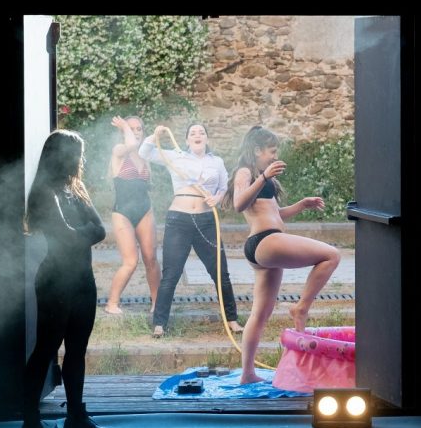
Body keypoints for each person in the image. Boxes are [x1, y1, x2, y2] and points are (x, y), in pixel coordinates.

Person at [221, 126, 341, 385]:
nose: (275, 156)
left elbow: (275, 214)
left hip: (266, 245)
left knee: (260, 314)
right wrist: (263, 177)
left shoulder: (263, 178)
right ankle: (300, 308)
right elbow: (239, 204)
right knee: (331, 255)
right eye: (272, 151)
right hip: (264, 241)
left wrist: (302, 205)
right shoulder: (245, 172)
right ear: (257, 150)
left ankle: (247, 374)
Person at [22, 130, 113, 428]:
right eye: (74, 154)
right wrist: (82, 231)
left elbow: (99, 230)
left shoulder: (75, 188)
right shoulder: (45, 192)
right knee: (45, 350)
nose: (79, 160)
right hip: (55, 281)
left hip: (82, 279)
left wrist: (79, 231)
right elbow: (68, 235)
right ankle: (30, 426)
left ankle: (75, 418)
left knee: (77, 350)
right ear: (58, 156)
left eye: (80, 154)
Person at [138, 123, 243, 338]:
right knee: (171, 274)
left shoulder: (216, 161)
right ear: (186, 140)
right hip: (179, 220)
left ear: (207, 138)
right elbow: (144, 152)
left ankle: (232, 319)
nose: (197, 135)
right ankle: (159, 323)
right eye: (193, 133)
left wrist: (217, 198)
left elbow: (224, 187)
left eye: (201, 132)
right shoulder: (176, 157)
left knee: (220, 272)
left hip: (207, 221)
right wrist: (155, 135)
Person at [104, 116, 160, 314]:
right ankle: (112, 303)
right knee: (130, 262)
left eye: (139, 129)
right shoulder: (119, 150)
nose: (136, 132)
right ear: (124, 132)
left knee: (151, 259)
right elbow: (131, 145)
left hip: (145, 210)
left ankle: (157, 303)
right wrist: (125, 128)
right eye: (131, 129)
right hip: (123, 213)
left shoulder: (145, 156)